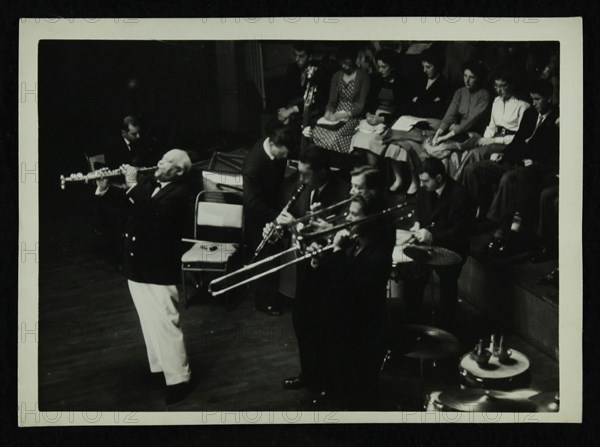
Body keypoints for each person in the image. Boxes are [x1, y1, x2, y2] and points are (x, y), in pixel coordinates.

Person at [94, 149, 194, 405]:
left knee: (165, 323)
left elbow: (153, 216)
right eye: (161, 157)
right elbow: (129, 206)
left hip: (158, 268)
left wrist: (131, 184)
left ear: (179, 171)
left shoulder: (181, 194)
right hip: (137, 265)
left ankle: (179, 379)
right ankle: (162, 368)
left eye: (167, 161)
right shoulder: (150, 182)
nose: (160, 161)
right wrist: (105, 189)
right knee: (149, 322)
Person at [313, 191, 395, 409]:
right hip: (341, 328)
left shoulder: (379, 256)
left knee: (356, 393)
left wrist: (337, 251)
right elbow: (337, 275)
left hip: (360, 334)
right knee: (338, 380)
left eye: (354, 214)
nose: (347, 218)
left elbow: (350, 287)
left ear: (370, 220)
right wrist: (320, 258)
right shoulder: (355, 242)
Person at [279, 146, 350, 392]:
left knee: (325, 328)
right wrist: (281, 230)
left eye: (306, 175)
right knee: (302, 322)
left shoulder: (344, 193)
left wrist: (296, 225)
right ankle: (308, 374)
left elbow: (340, 234)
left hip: (329, 271)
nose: (302, 179)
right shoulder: (302, 188)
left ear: (322, 171)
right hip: (305, 269)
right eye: (300, 173)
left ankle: (328, 382)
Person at [462, 80, 559, 254]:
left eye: (537, 99)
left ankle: (497, 228)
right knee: (473, 169)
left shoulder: (557, 120)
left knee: (509, 179)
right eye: (532, 98)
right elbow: (518, 140)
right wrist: (504, 154)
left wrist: (534, 162)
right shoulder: (530, 113)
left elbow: (553, 154)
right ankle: (472, 218)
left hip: (532, 168)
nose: (534, 103)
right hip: (514, 160)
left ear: (549, 98)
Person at [402, 157, 474, 329]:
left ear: (439, 178)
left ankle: (446, 327)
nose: (421, 184)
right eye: (420, 180)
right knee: (414, 277)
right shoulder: (425, 189)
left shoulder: (460, 195)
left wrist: (434, 237)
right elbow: (420, 209)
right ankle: (413, 322)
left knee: (447, 286)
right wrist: (418, 224)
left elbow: (462, 231)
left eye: (425, 180)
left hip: (451, 247)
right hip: (428, 244)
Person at [380, 47, 452, 192]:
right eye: (423, 66)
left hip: (430, 125)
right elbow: (410, 105)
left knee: (407, 144)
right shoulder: (420, 80)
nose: (425, 70)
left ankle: (414, 180)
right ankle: (399, 178)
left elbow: (438, 112)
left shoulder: (445, 85)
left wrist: (418, 104)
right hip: (414, 121)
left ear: (438, 66)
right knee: (395, 140)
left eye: (428, 67)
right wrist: (421, 105)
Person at [242, 123, 293, 316]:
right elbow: (252, 203)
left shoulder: (277, 150)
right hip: (258, 216)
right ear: (272, 144)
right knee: (267, 259)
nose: (284, 157)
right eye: (281, 154)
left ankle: (273, 294)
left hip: (272, 207)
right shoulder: (253, 166)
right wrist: (277, 216)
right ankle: (264, 302)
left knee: (274, 255)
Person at [453, 70, 531, 181]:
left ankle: (455, 183)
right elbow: (492, 126)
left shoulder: (522, 105)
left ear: (511, 85)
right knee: (464, 144)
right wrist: (485, 139)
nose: (499, 90)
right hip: (492, 139)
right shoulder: (496, 101)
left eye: (503, 86)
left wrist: (493, 141)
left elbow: (520, 137)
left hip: (507, 144)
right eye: (496, 85)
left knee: (474, 153)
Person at [423, 60, 491, 178]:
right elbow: (450, 115)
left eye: (471, 77)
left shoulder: (484, 95)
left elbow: (470, 121)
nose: (467, 81)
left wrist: (445, 136)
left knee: (443, 147)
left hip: (475, 134)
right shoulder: (460, 92)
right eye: (465, 76)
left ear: (478, 78)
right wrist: (438, 135)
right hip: (458, 131)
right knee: (434, 142)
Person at [350, 49, 412, 165]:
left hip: (392, 120)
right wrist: (368, 114)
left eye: (384, 67)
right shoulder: (376, 79)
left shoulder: (403, 83)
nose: (380, 70)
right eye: (378, 67)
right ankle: (364, 173)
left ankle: (373, 173)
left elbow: (403, 110)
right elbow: (369, 103)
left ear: (392, 66)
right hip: (374, 118)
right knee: (358, 137)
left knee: (370, 141)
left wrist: (383, 119)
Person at [308, 46, 371, 154]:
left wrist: (343, 115)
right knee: (315, 131)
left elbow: (360, 105)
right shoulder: (337, 76)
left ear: (353, 59)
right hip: (336, 115)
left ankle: (336, 164)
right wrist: (328, 112)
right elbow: (332, 101)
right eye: (341, 62)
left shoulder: (363, 76)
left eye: (347, 62)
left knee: (335, 137)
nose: (344, 65)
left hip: (353, 116)